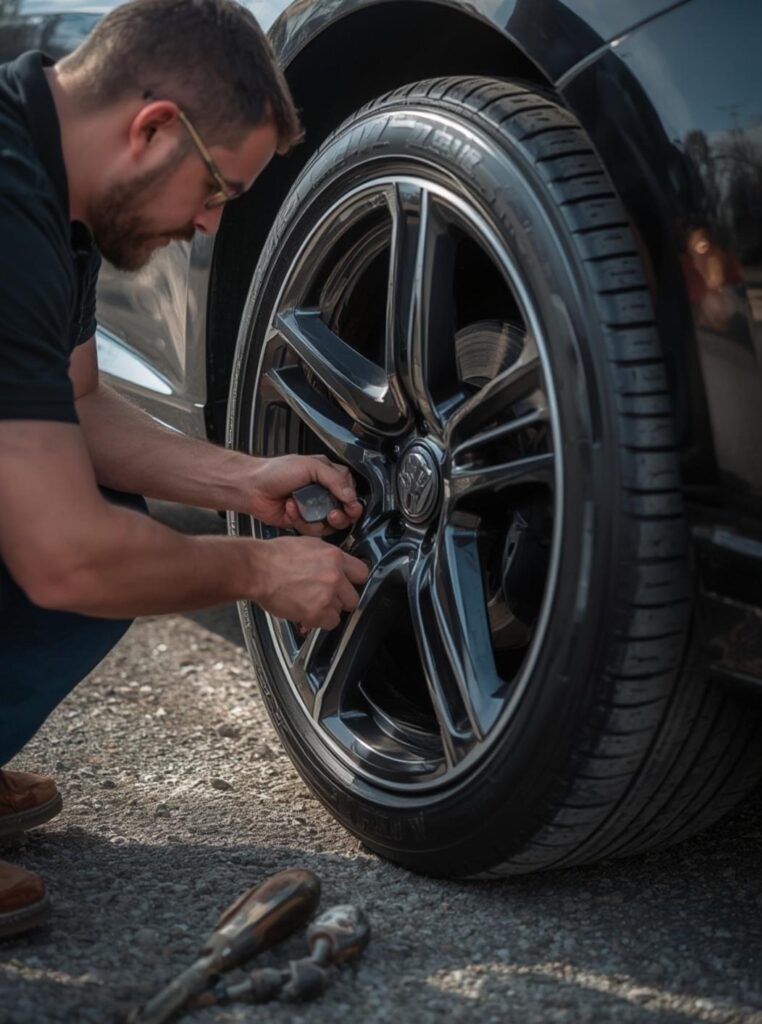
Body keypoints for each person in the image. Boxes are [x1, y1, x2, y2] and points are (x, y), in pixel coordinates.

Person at [0, 0, 369, 938]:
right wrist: (256, 570)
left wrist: (242, 482)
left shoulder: (51, 189)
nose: (209, 227)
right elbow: (66, 560)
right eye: (216, 190)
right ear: (154, 129)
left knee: (110, 512)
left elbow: (78, 403)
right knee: (92, 544)